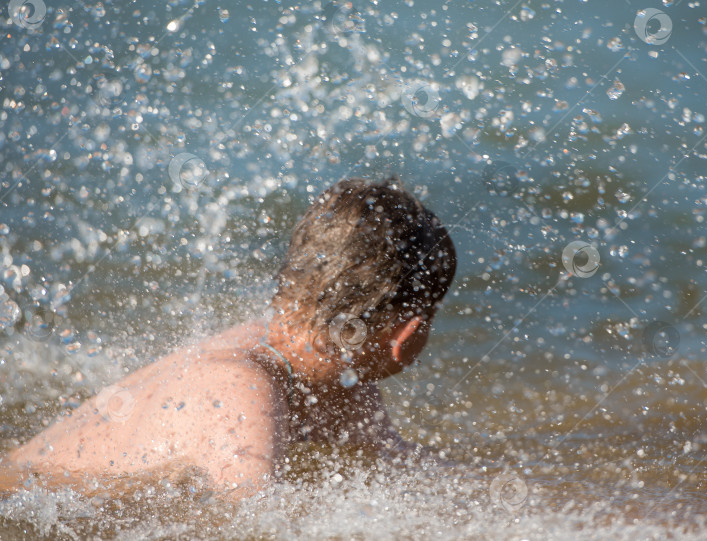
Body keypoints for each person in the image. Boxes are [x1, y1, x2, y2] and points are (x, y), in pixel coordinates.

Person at [3, 177, 456, 496]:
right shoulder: (241, 389)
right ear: (406, 333)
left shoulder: (332, 376)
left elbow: (403, 466)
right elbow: (252, 524)